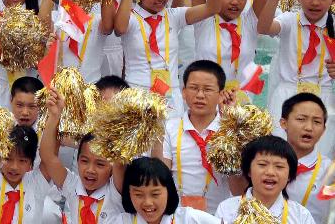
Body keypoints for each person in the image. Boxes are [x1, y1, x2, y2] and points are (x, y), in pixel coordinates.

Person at [114, 0, 222, 118]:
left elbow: (213, 7)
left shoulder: (174, 16)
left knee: (171, 141)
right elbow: (119, 28)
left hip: (170, 95)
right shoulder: (130, 18)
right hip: (138, 93)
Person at [257, 0, 335, 157]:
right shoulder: (290, 20)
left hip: (322, 97)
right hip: (287, 95)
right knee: (279, 154)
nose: (315, 3)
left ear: (333, 0)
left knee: (319, 158)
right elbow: (264, 27)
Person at [40, 87, 124, 224]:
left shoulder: (115, 192)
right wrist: (54, 116)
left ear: (112, 168)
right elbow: (48, 156)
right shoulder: (72, 185)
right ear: (77, 160)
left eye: (100, 164)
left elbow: (121, 164)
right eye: (84, 161)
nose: (90, 170)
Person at [162, 61, 233, 214]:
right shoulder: (169, 128)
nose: (200, 95)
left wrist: (232, 126)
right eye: (194, 88)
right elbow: (161, 176)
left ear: (221, 94)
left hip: (218, 216)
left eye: (207, 89)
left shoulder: (229, 131)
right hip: (176, 215)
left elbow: (239, 187)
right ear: (183, 92)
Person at [215, 136, 315, 223]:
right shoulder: (227, 209)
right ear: (249, 170)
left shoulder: (301, 215)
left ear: (289, 175)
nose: (270, 172)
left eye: (279, 166)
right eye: (262, 164)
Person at [113, 157, 220, 224]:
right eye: (138, 195)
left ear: (169, 191)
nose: (147, 202)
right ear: (128, 193)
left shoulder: (189, 218)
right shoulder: (122, 221)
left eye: (155, 194)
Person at [280, 93, 332, 223]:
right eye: (301, 119)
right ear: (283, 123)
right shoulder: (264, 162)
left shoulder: (330, 172)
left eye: (317, 122)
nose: (309, 127)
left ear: (324, 129)